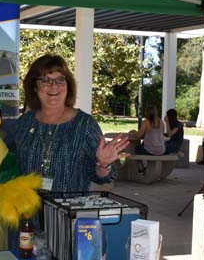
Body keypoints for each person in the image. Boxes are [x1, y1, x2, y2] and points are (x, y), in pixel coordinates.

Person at [7, 54, 130, 195]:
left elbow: (104, 177)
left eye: (60, 80)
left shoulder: (84, 125)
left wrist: (103, 164)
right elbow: (8, 167)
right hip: (28, 213)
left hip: (67, 213)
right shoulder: (23, 124)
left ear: (68, 86)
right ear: (34, 87)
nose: (54, 86)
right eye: (45, 80)